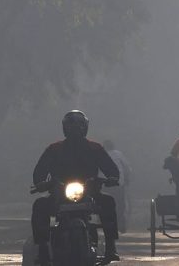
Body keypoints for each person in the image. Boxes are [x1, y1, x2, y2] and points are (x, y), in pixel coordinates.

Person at [32, 110, 120, 264]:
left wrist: (112, 178)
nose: (75, 131)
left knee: (108, 202)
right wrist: (41, 183)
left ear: (84, 128)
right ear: (65, 128)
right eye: (71, 127)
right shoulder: (54, 149)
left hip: (90, 193)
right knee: (39, 205)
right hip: (59, 194)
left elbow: (112, 170)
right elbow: (39, 173)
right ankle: (43, 249)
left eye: (78, 127)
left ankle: (111, 248)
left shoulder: (95, 148)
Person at [102, 139, 132, 233]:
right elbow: (127, 168)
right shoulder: (118, 154)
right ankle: (121, 224)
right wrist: (127, 178)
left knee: (105, 204)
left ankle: (106, 222)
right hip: (118, 183)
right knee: (120, 204)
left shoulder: (102, 154)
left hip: (105, 184)